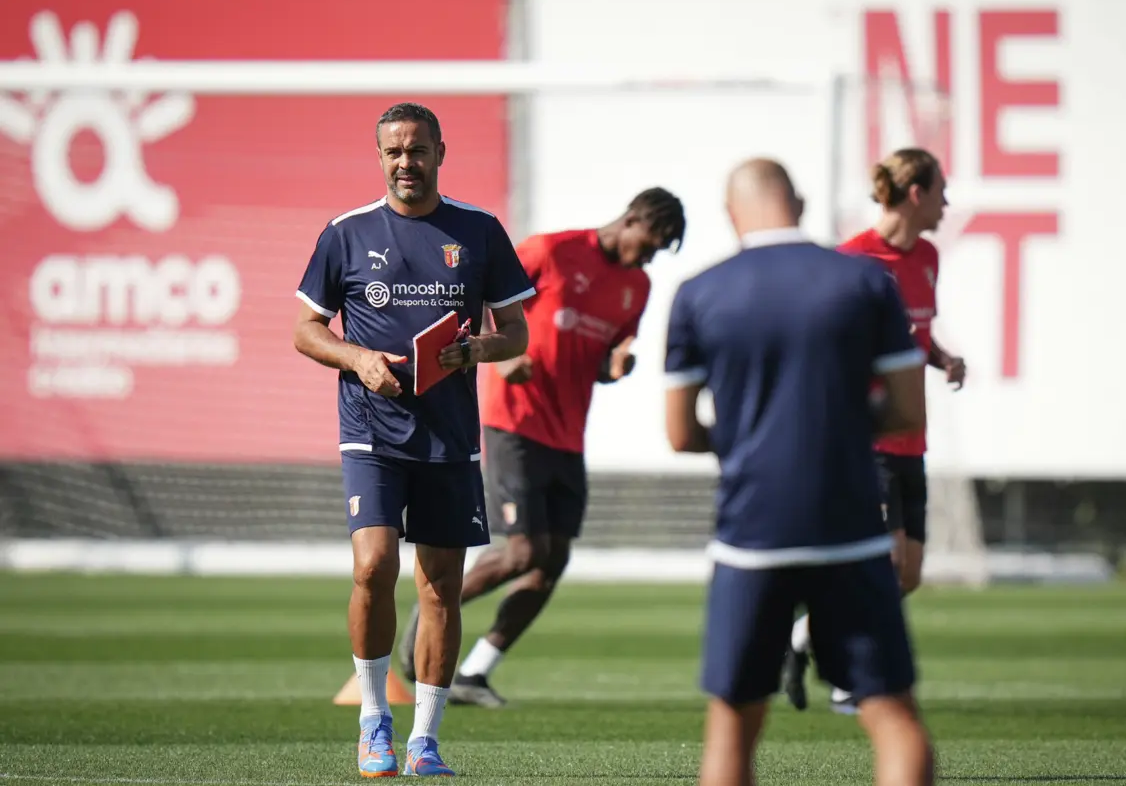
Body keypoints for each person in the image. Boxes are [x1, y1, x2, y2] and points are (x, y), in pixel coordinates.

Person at [664, 158, 935, 786]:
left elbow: (681, 434)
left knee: (733, 724)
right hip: (852, 524)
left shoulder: (701, 291)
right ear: (802, 204)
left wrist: (753, 436)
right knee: (893, 714)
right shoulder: (867, 282)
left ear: (732, 213)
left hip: (752, 529)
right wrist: (831, 430)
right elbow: (905, 409)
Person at [292, 102, 535, 778]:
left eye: (418, 150)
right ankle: (374, 719)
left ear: (440, 152)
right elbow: (305, 329)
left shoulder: (480, 231)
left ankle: (424, 738)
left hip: (449, 436)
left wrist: (476, 350)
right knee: (373, 565)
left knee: (439, 590)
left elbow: (515, 331)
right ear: (380, 158)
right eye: (395, 151)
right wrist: (357, 359)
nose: (407, 162)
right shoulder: (345, 233)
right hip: (370, 430)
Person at [397, 188, 687, 707]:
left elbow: (604, 353)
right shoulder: (551, 251)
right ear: (632, 219)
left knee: (551, 560)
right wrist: (499, 357)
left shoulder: (636, 287)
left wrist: (614, 367)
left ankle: (478, 671)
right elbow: (482, 297)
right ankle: (432, 607)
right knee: (523, 550)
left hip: (568, 434)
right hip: (516, 423)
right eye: (652, 241)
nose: (651, 255)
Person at [783, 147, 967, 715]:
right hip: (866, 442)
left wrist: (941, 359)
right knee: (879, 568)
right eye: (941, 191)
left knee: (906, 577)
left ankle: (798, 640)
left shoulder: (929, 256)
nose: (946, 203)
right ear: (917, 194)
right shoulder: (852, 261)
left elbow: (914, 334)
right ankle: (848, 681)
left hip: (913, 440)